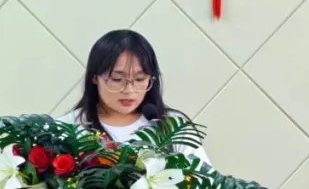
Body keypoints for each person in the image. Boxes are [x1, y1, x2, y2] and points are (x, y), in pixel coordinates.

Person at [57, 29, 211, 166]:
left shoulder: (172, 126)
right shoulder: (67, 127)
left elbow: (205, 184)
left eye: (139, 79)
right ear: (95, 78)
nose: (129, 90)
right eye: (117, 79)